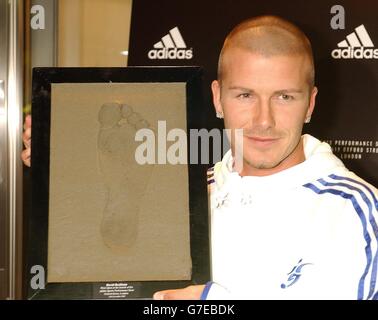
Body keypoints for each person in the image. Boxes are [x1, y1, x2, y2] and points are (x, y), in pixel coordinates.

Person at [22, 15, 378, 300]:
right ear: (217, 99)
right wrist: (62, 164)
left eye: (284, 97)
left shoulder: (356, 212)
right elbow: (103, 277)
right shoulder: (186, 193)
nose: (263, 120)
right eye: (244, 96)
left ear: (311, 103)